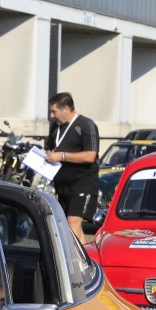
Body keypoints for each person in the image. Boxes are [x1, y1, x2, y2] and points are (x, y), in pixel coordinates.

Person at [44, 92, 99, 240]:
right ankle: (84, 253)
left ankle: (72, 255)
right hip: (62, 184)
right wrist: (48, 155)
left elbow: (90, 155)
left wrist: (62, 156)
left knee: (73, 222)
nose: (52, 116)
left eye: (54, 111)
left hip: (82, 182)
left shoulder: (86, 125)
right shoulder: (55, 127)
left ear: (66, 109)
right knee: (70, 224)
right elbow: (50, 148)